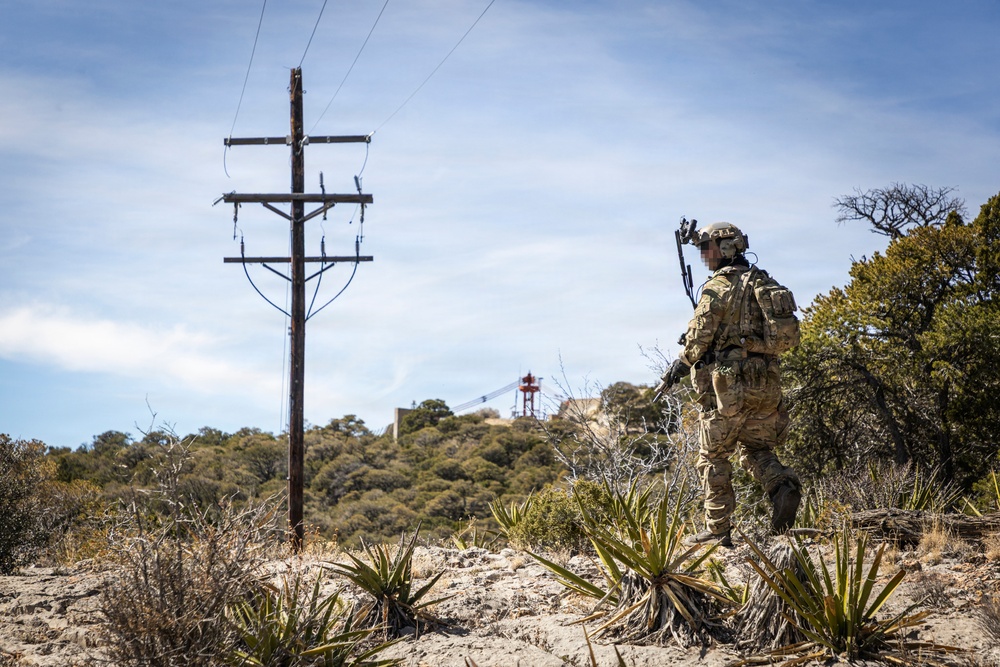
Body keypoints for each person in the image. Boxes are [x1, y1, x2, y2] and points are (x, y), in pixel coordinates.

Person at [657, 221, 800, 547]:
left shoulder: (717, 287)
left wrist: (679, 366)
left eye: (707, 250)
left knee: (713, 456)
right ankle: (781, 488)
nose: (705, 257)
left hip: (727, 390)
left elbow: (698, 340)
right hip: (765, 385)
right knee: (758, 449)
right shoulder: (763, 281)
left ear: (723, 249)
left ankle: (718, 531)